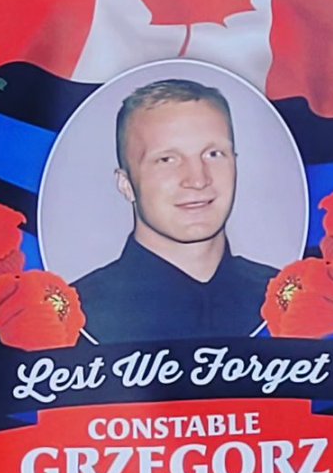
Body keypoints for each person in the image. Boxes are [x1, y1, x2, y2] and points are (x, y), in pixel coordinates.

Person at [72, 79, 278, 345]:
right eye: (167, 160)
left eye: (213, 154)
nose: (198, 179)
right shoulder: (74, 323)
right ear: (126, 184)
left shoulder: (291, 302)